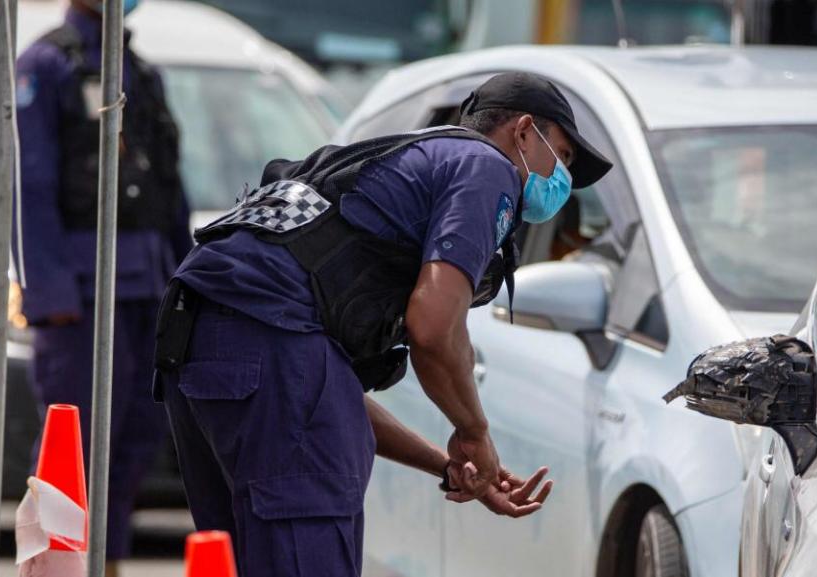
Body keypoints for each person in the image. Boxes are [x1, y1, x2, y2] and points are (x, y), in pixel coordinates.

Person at [153, 72, 611, 577]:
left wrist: (448, 462)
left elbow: (313, 384)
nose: (562, 180)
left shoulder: (403, 170)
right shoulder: (486, 166)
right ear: (524, 131)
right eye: (563, 156)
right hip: (259, 343)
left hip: (194, 340)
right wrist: (474, 431)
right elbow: (433, 327)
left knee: (237, 561)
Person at [15, 0, 191, 572]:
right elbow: (30, 186)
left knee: (138, 438)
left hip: (148, 285)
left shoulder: (140, 71)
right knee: (77, 448)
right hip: (81, 292)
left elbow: (169, 186)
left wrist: (186, 279)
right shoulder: (47, 64)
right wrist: (49, 295)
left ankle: (105, 563)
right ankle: (63, 567)